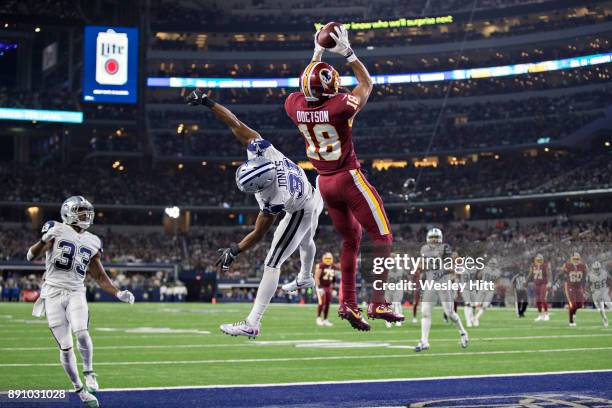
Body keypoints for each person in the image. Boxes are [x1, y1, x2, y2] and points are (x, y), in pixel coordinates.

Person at [284, 24, 402, 331]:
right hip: (348, 177)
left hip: (323, 183)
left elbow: (304, 87)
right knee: (383, 237)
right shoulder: (339, 107)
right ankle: (378, 300)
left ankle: (348, 302)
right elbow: (367, 83)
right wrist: (347, 52)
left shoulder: (293, 106)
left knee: (351, 240)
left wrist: (318, 51)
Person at [186, 89, 323, 338]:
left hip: (301, 209)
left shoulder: (275, 196)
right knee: (307, 240)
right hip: (312, 193)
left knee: (272, 262)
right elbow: (235, 123)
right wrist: (208, 103)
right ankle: (305, 277)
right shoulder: (263, 151)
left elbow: (259, 233)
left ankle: (253, 322)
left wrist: (235, 250)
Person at [27, 196, 135, 408]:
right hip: (53, 293)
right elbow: (31, 256)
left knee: (82, 332)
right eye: (81, 211)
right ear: (68, 212)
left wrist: (118, 293)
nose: (86, 215)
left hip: (76, 291)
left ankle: (89, 372)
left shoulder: (93, 240)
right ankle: (80, 389)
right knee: (66, 346)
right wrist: (43, 240)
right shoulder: (55, 228)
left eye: (87, 211)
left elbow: (100, 276)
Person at [415, 228, 468, 352]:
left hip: (443, 283)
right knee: (425, 312)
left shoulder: (445, 248)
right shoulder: (424, 249)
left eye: (436, 237)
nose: (434, 239)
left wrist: (444, 269)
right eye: (432, 237)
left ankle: (463, 333)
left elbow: (450, 264)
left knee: (450, 313)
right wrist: (420, 266)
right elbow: (422, 265)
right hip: (430, 283)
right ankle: (424, 341)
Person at [555, 252, 587, 327]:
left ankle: (572, 311)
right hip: (570, 286)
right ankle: (571, 321)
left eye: (577, 258)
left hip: (578, 287)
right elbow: (560, 274)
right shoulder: (567, 265)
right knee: (573, 304)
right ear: (571, 259)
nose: (576, 260)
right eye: (574, 258)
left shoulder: (583, 266)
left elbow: (584, 278)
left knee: (580, 304)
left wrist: (584, 288)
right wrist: (556, 282)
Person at [473, 258, 502, 326]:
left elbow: (498, 281)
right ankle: (473, 317)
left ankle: (476, 318)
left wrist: (496, 286)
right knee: (477, 304)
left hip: (490, 289)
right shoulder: (485, 269)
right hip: (483, 287)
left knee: (485, 305)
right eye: (492, 264)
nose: (492, 265)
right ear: (489, 264)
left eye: (494, 264)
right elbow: (478, 276)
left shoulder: (497, 272)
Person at [314, 252, 338, 327]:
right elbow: (317, 277)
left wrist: (333, 288)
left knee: (327, 303)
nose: (328, 260)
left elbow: (333, 278)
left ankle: (325, 319)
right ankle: (318, 318)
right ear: (323, 259)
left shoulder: (333, 266)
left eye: (329, 258)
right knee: (322, 302)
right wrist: (319, 287)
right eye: (327, 258)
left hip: (328, 287)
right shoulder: (321, 265)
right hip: (321, 286)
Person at [586, 261, 610, 328]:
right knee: (601, 309)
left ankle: (605, 320)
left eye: (597, 269)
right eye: (595, 269)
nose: (596, 270)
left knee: (609, 304)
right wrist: (589, 292)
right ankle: (605, 320)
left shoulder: (604, 273)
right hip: (595, 293)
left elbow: (609, 281)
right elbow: (588, 285)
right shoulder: (590, 275)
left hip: (603, 291)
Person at [528, 254, 551, 321]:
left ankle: (546, 314)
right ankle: (540, 315)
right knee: (537, 300)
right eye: (537, 259)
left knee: (542, 299)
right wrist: (526, 281)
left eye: (540, 259)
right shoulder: (533, 265)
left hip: (543, 283)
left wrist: (549, 282)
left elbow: (548, 273)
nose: (538, 261)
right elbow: (530, 274)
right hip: (536, 284)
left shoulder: (545, 265)